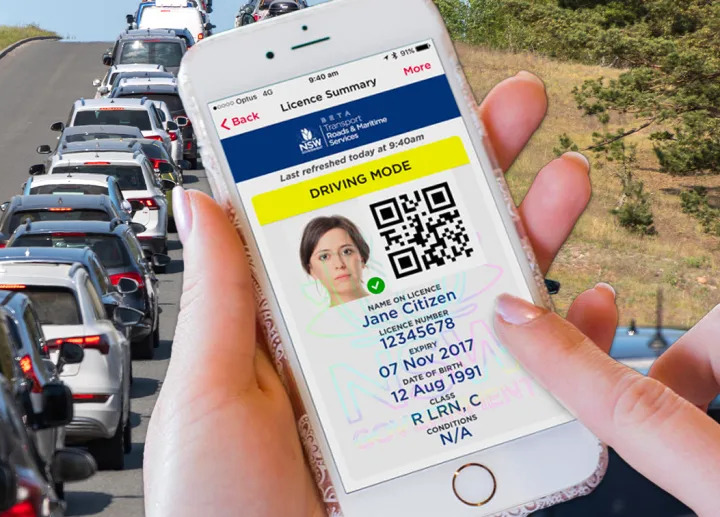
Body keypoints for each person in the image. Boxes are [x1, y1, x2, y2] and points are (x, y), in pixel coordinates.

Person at [143, 71, 720, 517]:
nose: (340, 261)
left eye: (347, 250)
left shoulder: (456, 303)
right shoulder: (308, 343)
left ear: (364, 256)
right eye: (324, 255)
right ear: (310, 271)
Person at [299, 215, 371, 307]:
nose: (339, 264)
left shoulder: (393, 303)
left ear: (362, 258)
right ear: (311, 270)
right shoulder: (323, 321)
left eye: (346, 251)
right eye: (324, 257)